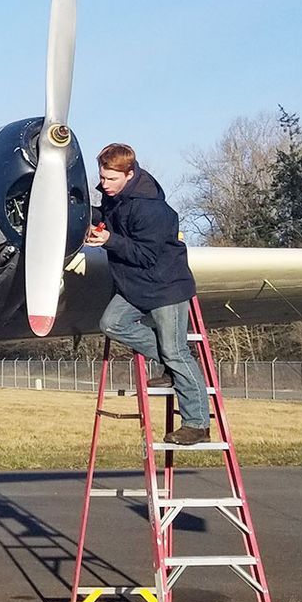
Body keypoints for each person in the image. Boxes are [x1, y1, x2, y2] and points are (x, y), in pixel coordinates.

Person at [84, 142, 211, 445]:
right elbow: (110, 217)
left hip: (165, 287)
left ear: (129, 173)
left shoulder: (150, 207)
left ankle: (197, 424)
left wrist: (108, 240)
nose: (104, 184)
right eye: (102, 178)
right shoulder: (116, 196)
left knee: (177, 352)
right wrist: (80, 211)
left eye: (111, 179)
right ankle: (170, 360)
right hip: (135, 285)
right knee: (112, 323)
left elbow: (145, 255)